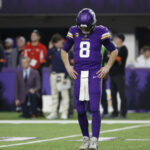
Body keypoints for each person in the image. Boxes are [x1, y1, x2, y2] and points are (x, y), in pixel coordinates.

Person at [61, 8, 118, 150]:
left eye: (87, 28)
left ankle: (95, 140)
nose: (84, 30)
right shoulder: (74, 30)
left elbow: (114, 50)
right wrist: (68, 67)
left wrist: (107, 67)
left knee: (94, 108)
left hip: (94, 72)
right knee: (80, 109)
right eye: (82, 28)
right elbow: (64, 50)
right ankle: (85, 138)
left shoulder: (100, 31)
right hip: (78, 72)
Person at [22, 30, 47, 115]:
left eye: (34, 35)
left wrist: (36, 71)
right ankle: (25, 110)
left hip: (37, 72)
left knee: (37, 90)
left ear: (38, 37)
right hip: (27, 71)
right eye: (32, 35)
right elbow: (23, 58)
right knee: (24, 89)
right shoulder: (27, 47)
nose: (32, 37)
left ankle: (39, 109)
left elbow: (43, 61)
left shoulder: (42, 47)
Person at [46, 34, 70, 120]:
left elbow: (68, 65)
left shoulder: (66, 50)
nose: (56, 44)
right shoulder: (52, 50)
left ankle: (64, 113)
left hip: (62, 75)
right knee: (54, 94)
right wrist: (49, 48)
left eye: (57, 42)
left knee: (64, 95)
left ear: (61, 41)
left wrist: (66, 77)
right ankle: (54, 113)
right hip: (53, 74)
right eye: (54, 42)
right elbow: (46, 59)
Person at [110, 34, 128, 118]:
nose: (115, 39)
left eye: (116, 38)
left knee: (122, 94)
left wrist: (113, 57)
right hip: (112, 74)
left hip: (120, 75)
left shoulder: (124, 49)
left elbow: (120, 60)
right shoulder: (113, 49)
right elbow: (109, 59)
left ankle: (123, 113)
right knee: (113, 94)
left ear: (120, 39)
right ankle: (115, 112)